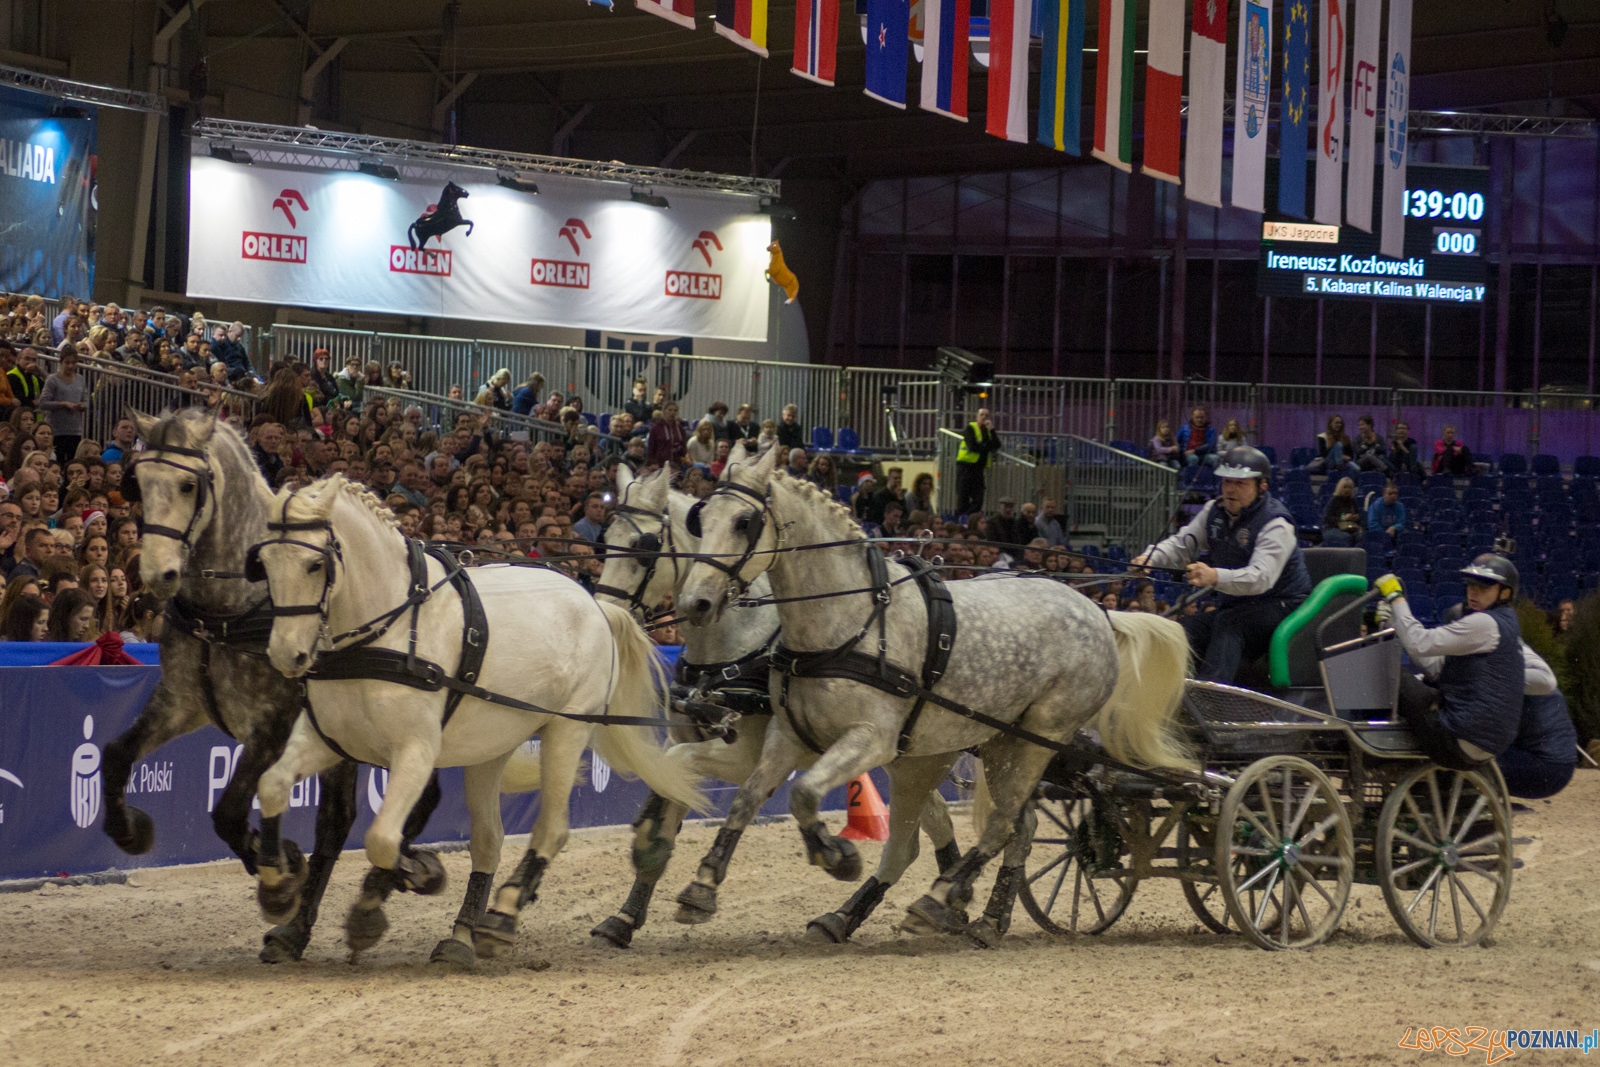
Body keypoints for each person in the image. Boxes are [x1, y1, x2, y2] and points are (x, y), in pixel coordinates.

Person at [1133, 446, 1311, 683]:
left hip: (1282, 605)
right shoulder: (1213, 511)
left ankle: (1213, 700)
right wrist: (1150, 558)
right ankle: (1174, 694)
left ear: (1262, 486)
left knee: (1230, 625)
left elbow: (1261, 578)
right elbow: (1182, 543)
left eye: (1241, 484)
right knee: (1183, 630)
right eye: (1227, 482)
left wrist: (1215, 576)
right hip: (1238, 606)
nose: (1230, 490)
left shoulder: (1277, 524)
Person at [1375, 555, 1524, 772]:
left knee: (1379, 671)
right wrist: (1395, 622)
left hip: (1459, 736)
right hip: (1486, 741)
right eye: (1471, 585)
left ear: (1505, 593)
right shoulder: (1507, 624)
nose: (1473, 591)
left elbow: (1418, 644)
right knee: (1412, 685)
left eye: (1483, 587)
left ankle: (1367, 749)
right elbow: (1435, 668)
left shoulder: (1484, 623)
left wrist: (1396, 598)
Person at [1498, 639, 1579, 799]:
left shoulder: (1504, 668)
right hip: (1559, 763)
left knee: (1462, 756)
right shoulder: (1521, 655)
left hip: (1546, 767)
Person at [37, 348, 87, 464]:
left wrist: (82, 406)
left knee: (72, 462)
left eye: (73, 363)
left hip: (75, 430)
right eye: (67, 362)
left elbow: (86, 399)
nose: (70, 366)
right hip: (56, 430)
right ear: (61, 362)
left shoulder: (80, 379)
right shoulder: (52, 379)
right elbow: (43, 403)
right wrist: (63, 404)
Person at [954, 407, 999, 517]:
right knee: (962, 498)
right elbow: (972, 446)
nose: (984, 417)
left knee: (978, 500)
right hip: (966, 467)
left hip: (979, 469)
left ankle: (970, 519)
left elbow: (997, 445)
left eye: (987, 415)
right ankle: (961, 519)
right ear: (977, 417)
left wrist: (992, 430)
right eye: (982, 415)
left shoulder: (989, 431)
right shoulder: (971, 428)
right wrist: (988, 447)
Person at [1321, 477, 1363, 546]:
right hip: (1332, 528)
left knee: (1360, 537)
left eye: (1349, 487)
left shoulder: (1352, 501)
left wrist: (1356, 517)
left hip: (1348, 528)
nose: (1347, 490)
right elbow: (1327, 519)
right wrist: (1343, 518)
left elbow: (1358, 517)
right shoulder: (1334, 501)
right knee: (1346, 537)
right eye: (1345, 487)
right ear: (1340, 488)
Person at [645, 400, 687, 469]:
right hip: (660, 465)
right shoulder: (656, 429)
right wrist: (652, 464)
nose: (672, 413)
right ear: (664, 411)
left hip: (676, 465)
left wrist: (679, 448)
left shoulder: (680, 428)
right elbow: (651, 450)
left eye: (675, 411)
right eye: (670, 410)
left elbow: (684, 448)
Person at [5, 345, 43, 410]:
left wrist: (41, 373)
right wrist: (37, 402)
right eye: (27, 358)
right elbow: (19, 401)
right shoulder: (12, 376)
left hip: (33, 416)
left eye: (34, 360)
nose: (30, 362)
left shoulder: (34, 377)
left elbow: (51, 387)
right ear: (18, 360)